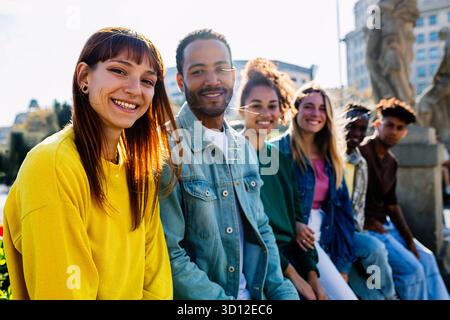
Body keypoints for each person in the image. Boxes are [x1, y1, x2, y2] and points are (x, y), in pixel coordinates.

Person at [3, 27, 176, 299]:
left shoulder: (140, 168)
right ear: (84, 77)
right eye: (119, 70)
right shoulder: (52, 165)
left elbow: (156, 284)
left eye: (147, 81)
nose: (134, 90)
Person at [158, 29, 299, 300]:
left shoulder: (243, 146)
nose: (212, 81)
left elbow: (262, 228)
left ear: (233, 75)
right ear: (180, 80)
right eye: (198, 71)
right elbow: (169, 256)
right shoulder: (165, 147)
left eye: (221, 69)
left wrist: (283, 292)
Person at [238, 58, 327, 300]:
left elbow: (297, 220)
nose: (265, 114)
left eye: (272, 106)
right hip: (263, 258)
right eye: (256, 105)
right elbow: (253, 232)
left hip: (294, 254)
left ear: (281, 111)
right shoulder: (233, 158)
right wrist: (296, 279)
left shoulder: (281, 159)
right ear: (241, 109)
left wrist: (312, 276)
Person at [273, 83, 358, 300]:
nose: (315, 114)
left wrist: (343, 266)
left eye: (322, 109)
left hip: (327, 234)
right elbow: (273, 207)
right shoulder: (277, 151)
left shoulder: (332, 158)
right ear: (296, 110)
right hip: (300, 237)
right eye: (309, 106)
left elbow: (344, 215)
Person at [360, 97, 449, 300]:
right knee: (412, 270)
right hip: (368, 229)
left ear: (405, 133)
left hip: (387, 225)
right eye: (389, 125)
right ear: (377, 124)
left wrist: (409, 240)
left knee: (426, 257)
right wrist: (364, 220)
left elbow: (392, 205)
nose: (394, 131)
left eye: (400, 128)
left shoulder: (391, 162)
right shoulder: (362, 153)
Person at [343, 104, 397, 300]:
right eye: (351, 127)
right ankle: (391, 295)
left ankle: (386, 295)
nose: (356, 133)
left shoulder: (360, 163)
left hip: (355, 235)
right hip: (337, 239)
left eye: (362, 129)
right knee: (375, 249)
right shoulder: (331, 158)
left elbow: (359, 207)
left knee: (373, 294)